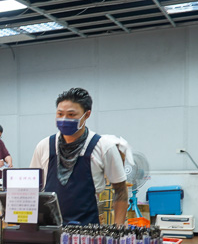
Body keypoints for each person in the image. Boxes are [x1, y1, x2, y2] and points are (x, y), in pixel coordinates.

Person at [30, 87, 128, 225]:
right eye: (60, 114)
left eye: (71, 115)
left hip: (87, 232)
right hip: (49, 231)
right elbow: (32, 189)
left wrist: (118, 228)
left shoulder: (103, 147)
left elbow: (120, 189)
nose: (64, 119)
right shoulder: (44, 146)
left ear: (87, 115)